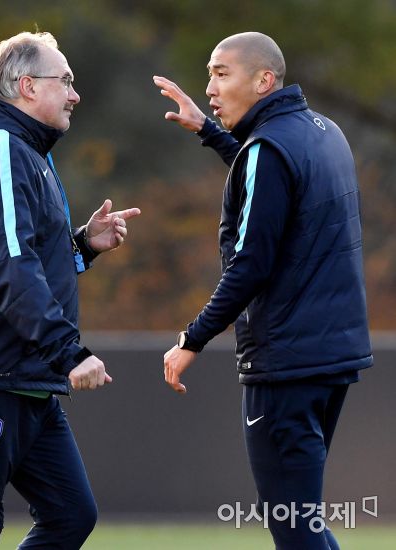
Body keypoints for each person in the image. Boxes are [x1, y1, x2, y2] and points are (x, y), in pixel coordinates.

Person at [0, 31, 140, 550]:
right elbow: (8, 265)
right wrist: (69, 352)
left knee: (71, 515)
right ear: (27, 86)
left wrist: (82, 247)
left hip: (24, 375)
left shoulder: (25, 151)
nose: (75, 94)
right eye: (66, 81)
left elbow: (25, 260)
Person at [155, 32, 372, 549]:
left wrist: (192, 338)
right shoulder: (323, 130)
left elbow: (251, 264)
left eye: (221, 73)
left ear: (264, 80)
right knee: (304, 521)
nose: (209, 86)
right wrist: (209, 131)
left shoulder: (266, 149)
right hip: (331, 357)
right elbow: (271, 188)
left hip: (287, 364)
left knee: (294, 527)